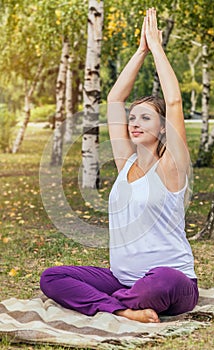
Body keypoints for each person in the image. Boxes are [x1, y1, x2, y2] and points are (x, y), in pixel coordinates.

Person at [40, 8, 198, 323]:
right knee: (52, 278)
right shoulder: (125, 163)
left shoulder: (171, 166)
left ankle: (105, 304)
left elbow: (175, 102)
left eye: (145, 117)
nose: (134, 123)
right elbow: (114, 99)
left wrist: (156, 48)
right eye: (132, 117)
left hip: (173, 282)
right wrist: (139, 50)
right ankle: (125, 309)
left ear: (164, 126)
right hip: (122, 280)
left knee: (160, 282)